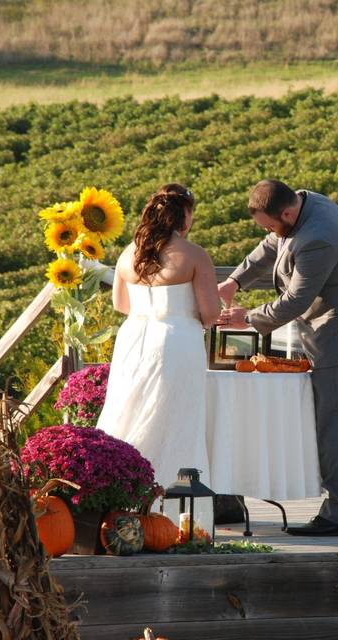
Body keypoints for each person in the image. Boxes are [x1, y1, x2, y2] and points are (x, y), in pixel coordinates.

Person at [218, 179, 338, 536]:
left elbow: (295, 300)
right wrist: (235, 281)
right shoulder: (306, 204)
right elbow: (272, 244)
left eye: (270, 223)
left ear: (288, 212)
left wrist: (247, 318)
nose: (268, 232)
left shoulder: (318, 238)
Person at [96, 184, 221, 489]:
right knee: (176, 415)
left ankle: (119, 485)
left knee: (127, 409)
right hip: (177, 340)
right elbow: (210, 313)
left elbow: (120, 305)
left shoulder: (129, 253)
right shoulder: (193, 255)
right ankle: (171, 491)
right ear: (185, 216)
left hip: (134, 339)